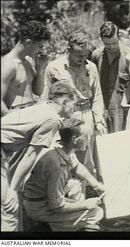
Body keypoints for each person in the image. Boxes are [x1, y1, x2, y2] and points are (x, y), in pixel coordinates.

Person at [1, 81, 77, 231]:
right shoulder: (53, 119)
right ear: (64, 102)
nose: (75, 108)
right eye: (74, 104)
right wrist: (13, 189)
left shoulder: (43, 107)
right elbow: (30, 155)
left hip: (4, 151)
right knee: (9, 207)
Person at [41, 30, 107, 176]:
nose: (82, 58)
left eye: (85, 55)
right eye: (79, 55)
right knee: (63, 156)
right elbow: (45, 97)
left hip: (85, 116)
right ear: (69, 49)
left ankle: (82, 194)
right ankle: (62, 194)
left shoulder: (91, 67)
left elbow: (97, 95)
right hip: (64, 117)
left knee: (85, 159)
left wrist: (99, 120)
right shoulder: (54, 68)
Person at [22, 118, 105, 232]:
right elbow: (57, 206)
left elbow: (76, 167)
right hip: (38, 207)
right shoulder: (56, 166)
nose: (88, 139)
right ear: (74, 140)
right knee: (96, 212)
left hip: (42, 198)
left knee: (79, 181)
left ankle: (66, 224)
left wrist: (95, 184)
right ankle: (50, 227)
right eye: (85, 136)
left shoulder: (63, 149)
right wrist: (85, 204)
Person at [1, 20, 50, 116]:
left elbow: (38, 91)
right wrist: (11, 120)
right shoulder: (8, 64)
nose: (42, 50)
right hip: (16, 115)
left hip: (30, 111)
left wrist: (40, 69)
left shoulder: (28, 61)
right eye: (40, 46)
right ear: (28, 42)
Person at [91, 21, 130, 133]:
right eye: (107, 44)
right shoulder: (96, 55)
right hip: (101, 107)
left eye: (114, 43)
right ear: (101, 40)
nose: (111, 47)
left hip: (120, 109)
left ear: (118, 37)